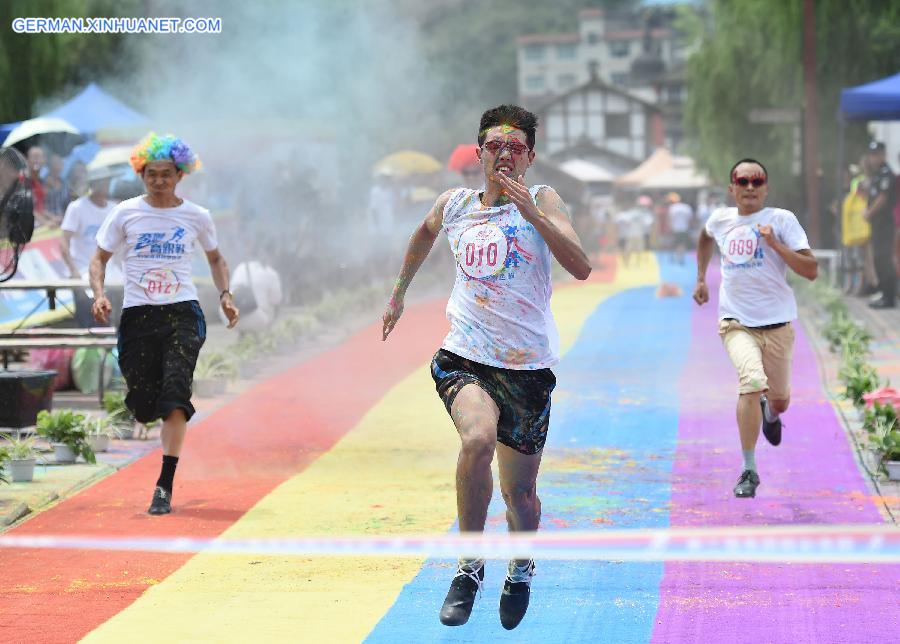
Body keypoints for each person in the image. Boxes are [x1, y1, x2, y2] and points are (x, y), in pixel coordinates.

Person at [382, 105, 591, 630]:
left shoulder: (543, 199)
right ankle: (469, 565)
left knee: (519, 494)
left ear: (530, 158)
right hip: (465, 356)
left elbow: (581, 266)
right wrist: (398, 294)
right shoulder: (454, 205)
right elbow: (422, 235)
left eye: (515, 147)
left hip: (527, 368)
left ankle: (520, 566)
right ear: (478, 154)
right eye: (495, 145)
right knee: (476, 440)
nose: (504, 154)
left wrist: (533, 213)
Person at [89, 132, 239, 515]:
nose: (159, 180)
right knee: (142, 405)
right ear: (141, 175)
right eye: (151, 174)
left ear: (180, 175)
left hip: (182, 313)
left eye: (166, 174)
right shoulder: (124, 213)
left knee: (174, 396)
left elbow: (217, 259)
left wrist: (225, 295)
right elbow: (99, 259)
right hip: (139, 315)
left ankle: (164, 486)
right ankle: (148, 412)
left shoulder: (197, 216)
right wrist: (99, 294)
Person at [693, 158, 817, 499]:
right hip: (736, 322)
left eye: (756, 181)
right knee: (750, 383)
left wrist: (775, 244)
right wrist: (701, 278)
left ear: (766, 187)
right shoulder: (720, 219)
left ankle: (771, 411)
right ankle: (749, 469)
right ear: (731, 187)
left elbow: (811, 270)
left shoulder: (781, 220)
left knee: (781, 399)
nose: (750, 187)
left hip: (777, 324)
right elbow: (704, 238)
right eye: (742, 181)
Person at [61, 165, 124, 327]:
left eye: (107, 181)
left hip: (111, 274)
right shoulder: (77, 208)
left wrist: (120, 264)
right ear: (93, 185)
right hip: (83, 271)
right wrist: (73, 271)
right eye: (101, 182)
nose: (105, 185)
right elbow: (64, 242)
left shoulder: (113, 209)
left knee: (116, 317)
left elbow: (119, 242)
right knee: (88, 322)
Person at [864, 141, 897, 309]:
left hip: (885, 223)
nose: (873, 158)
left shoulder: (886, 173)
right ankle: (884, 293)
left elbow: (883, 198)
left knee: (883, 259)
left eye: (876, 154)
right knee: (878, 258)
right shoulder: (876, 174)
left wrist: (869, 212)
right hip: (877, 224)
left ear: (883, 155)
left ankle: (889, 297)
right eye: (871, 154)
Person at [218, 256, 282, 335]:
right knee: (269, 311)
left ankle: (243, 335)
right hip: (255, 319)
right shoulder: (271, 273)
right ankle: (258, 336)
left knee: (245, 310)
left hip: (226, 316)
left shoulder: (240, 267)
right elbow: (276, 300)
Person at [666, 192, 694, 264]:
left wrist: (669, 227)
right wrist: (690, 228)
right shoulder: (687, 208)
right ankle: (680, 257)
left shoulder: (673, 207)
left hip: (675, 228)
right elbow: (690, 220)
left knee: (674, 242)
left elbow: (669, 218)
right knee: (682, 243)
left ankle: (672, 256)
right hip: (684, 228)